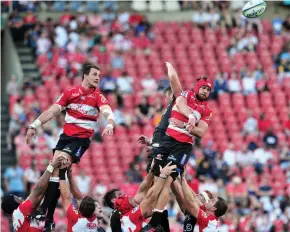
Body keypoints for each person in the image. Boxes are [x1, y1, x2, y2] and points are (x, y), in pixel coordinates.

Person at [25, 64, 115, 230]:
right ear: (85, 75)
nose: (97, 77)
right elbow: (52, 111)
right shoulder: (69, 93)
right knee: (52, 172)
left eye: (99, 75)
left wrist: (110, 122)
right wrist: (33, 125)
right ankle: (47, 216)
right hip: (65, 138)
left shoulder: (97, 96)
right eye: (94, 74)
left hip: (80, 140)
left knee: (59, 164)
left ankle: (46, 215)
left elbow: (107, 110)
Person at [151, 62, 213, 216]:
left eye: (208, 90)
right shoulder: (186, 94)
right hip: (168, 140)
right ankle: (151, 212)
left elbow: (201, 131)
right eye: (204, 88)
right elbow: (180, 103)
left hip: (183, 146)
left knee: (167, 181)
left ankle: (158, 218)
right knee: (155, 176)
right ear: (197, 87)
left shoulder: (207, 110)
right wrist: (191, 117)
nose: (205, 91)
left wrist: (187, 126)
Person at [1, 156, 67, 232]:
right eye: (17, 198)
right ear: (13, 204)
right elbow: (38, 189)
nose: (20, 197)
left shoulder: (18, 215)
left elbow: (39, 197)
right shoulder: (20, 210)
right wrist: (51, 167)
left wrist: (52, 180)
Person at [104, 163, 176, 232]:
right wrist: (163, 176)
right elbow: (150, 196)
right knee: (158, 214)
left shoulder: (124, 213)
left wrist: (152, 170)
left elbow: (142, 191)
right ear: (114, 200)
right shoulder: (121, 216)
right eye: (120, 194)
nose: (132, 198)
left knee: (158, 211)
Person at [59, 166, 105, 232]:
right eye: (97, 206)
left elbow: (66, 197)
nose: (100, 207)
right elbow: (78, 198)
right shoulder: (98, 226)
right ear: (93, 211)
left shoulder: (74, 216)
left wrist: (63, 174)